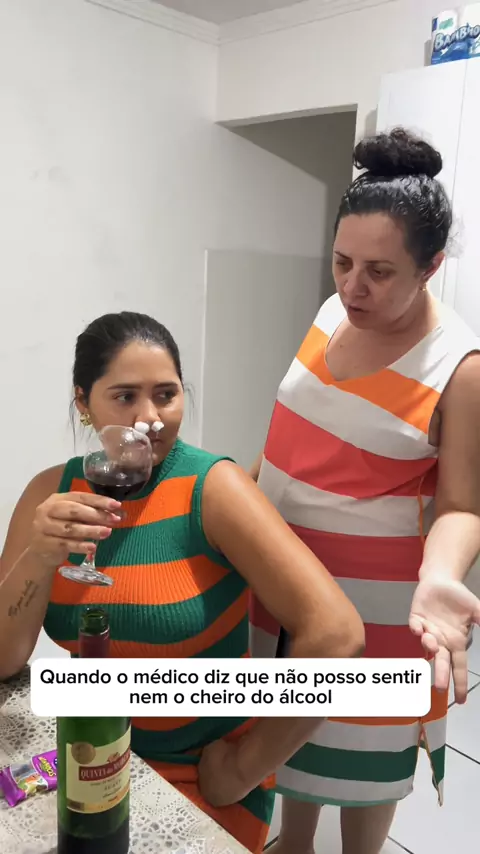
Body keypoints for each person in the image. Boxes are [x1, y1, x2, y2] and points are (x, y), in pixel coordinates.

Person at [0, 311, 365, 854]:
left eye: (166, 395)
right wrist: (37, 556)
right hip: (93, 754)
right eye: (125, 396)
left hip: (197, 773)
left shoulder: (215, 489)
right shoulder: (49, 494)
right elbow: (5, 661)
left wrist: (242, 768)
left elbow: (338, 637)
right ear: (83, 403)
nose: (149, 418)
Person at [249, 127, 480, 854]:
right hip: (286, 585)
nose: (353, 287)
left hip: (377, 610)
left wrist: (442, 576)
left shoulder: (459, 366)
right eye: (343, 262)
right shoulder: (333, 311)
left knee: (362, 762)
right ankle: (293, 844)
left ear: (431, 266)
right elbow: (291, 434)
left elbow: (462, 504)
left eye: (380, 271)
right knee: (290, 743)